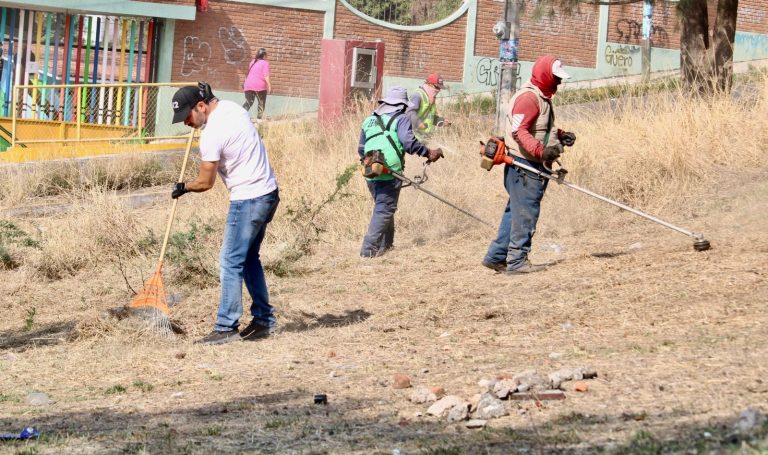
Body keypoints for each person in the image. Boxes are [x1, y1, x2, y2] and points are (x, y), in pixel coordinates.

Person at [171, 82, 280, 345]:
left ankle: (226, 327)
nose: (186, 123)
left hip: (248, 199)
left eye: (187, 117)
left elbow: (205, 183)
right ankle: (264, 320)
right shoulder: (232, 109)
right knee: (249, 258)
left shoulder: (211, 134)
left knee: (230, 262)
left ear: (200, 106)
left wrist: (183, 187)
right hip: (268, 193)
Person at [482, 56, 577, 274]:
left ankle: (496, 257)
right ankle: (517, 262)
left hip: (531, 165)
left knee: (515, 212)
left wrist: (560, 136)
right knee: (526, 213)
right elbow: (519, 132)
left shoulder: (541, 97)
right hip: (524, 167)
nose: (558, 83)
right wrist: (541, 151)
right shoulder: (529, 98)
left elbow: (539, 127)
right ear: (545, 75)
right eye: (556, 78)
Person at [358, 86, 443, 258]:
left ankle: (387, 246)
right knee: (385, 207)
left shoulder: (368, 120)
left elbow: (361, 149)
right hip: (389, 171)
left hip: (370, 171)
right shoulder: (402, 119)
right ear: (402, 105)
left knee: (385, 205)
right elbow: (408, 142)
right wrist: (428, 152)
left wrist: (370, 161)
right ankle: (368, 250)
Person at [406, 72, 451, 138]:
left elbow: (430, 117)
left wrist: (442, 122)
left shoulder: (431, 98)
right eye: (437, 87)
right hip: (414, 136)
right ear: (430, 84)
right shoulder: (417, 95)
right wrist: (418, 123)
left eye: (440, 88)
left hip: (426, 136)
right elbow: (409, 112)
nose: (438, 90)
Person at [242, 48, 271, 122]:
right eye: (266, 55)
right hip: (259, 86)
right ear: (264, 55)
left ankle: (240, 115)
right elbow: (266, 75)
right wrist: (269, 85)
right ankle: (259, 119)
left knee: (249, 102)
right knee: (261, 102)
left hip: (248, 84)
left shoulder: (252, 62)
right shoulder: (265, 63)